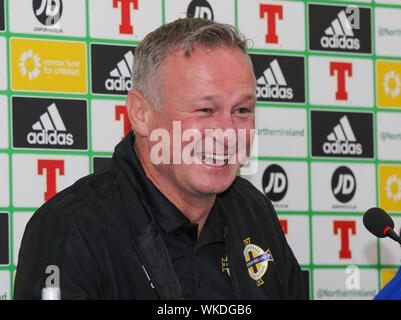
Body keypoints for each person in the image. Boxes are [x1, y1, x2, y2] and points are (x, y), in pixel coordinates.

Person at [14, 18, 306, 300]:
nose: (228, 134)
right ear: (141, 113)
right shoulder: (72, 229)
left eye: (242, 110)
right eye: (205, 110)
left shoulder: (253, 210)